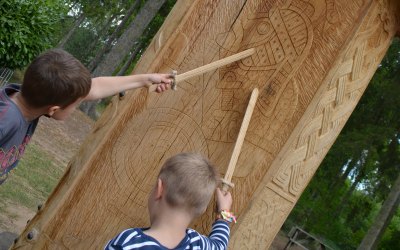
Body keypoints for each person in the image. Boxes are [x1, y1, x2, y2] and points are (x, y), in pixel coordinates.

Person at [0, 49, 174, 185]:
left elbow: (96, 87)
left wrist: (145, 80)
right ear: (53, 109)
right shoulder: (7, 120)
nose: (78, 105)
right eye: (77, 104)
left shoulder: (32, 94)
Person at [105, 152, 235, 250]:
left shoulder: (128, 243)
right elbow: (220, 245)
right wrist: (224, 212)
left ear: (159, 189)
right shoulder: (198, 244)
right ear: (202, 209)